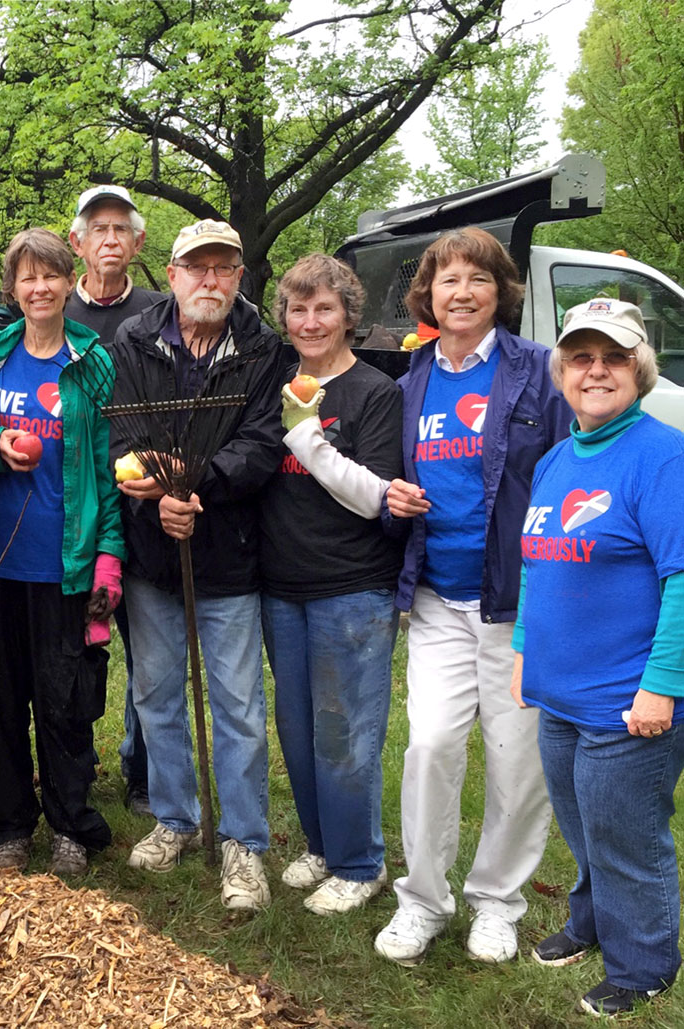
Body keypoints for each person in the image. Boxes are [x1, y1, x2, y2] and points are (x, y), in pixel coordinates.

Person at [375, 227, 570, 965]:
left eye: (477, 280)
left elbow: (566, 474)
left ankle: (497, 900)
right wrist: (395, 498)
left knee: (517, 759)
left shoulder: (539, 373)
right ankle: (423, 899)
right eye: (447, 279)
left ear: (501, 292)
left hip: (516, 605)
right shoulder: (411, 381)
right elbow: (397, 478)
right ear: (427, 294)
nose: (461, 292)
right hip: (435, 599)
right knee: (429, 746)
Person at [512, 298, 684, 1017]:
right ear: (562, 370)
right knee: (584, 826)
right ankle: (588, 923)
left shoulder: (663, 455)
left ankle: (644, 964)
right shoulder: (557, 458)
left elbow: (682, 576)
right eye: (582, 356)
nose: (597, 370)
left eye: (614, 357)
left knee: (627, 838)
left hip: (628, 700)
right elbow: (533, 563)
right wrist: (524, 652)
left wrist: (663, 684)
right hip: (560, 695)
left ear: (639, 369)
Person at [111, 219, 283, 910]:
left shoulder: (264, 349)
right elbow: (124, 425)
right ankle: (176, 817)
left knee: (238, 704)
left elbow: (264, 440)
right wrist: (159, 489)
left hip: (228, 549)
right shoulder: (135, 339)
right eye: (196, 267)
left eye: (223, 268)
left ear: (239, 276)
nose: (209, 280)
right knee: (156, 693)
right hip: (155, 550)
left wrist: (198, 484)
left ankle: (243, 842)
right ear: (173, 273)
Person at [0, 228, 125, 876]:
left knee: (65, 703)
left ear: (68, 280)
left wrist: (109, 557)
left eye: (51, 275)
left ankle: (70, 825)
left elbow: (110, 467)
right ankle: (6, 825)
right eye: (27, 277)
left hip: (65, 563)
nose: (39, 288)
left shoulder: (93, 363)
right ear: (14, 286)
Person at [260, 254, 404, 915]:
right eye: (298, 308)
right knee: (298, 728)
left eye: (325, 307)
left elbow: (375, 496)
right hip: (281, 583)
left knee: (344, 732)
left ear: (349, 314)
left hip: (351, 585)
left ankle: (359, 861)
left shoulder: (375, 392)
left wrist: (309, 437)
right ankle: (321, 843)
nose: (311, 320)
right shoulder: (276, 385)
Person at [65, 184, 164, 817]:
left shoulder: (159, 313)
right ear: (77, 242)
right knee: (77, 646)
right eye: (96, 229)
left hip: (144, 505)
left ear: (137, 242)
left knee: (150, 651)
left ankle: (144, 766)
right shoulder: (47, 310)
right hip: (75, 513)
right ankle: (73, 757)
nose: (108, 239)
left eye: (119, 229)